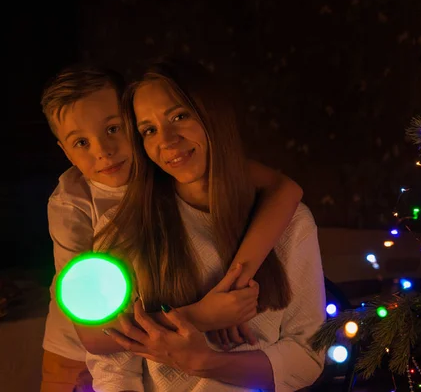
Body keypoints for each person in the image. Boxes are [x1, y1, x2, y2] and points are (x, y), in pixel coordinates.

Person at [40, 64, 304, 392]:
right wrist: (203, 315)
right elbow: (93, 331)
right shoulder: (71, 203)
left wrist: (233, 285)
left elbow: (286, 190)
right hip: (74, 344)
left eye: (113, 129)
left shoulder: (171, 167)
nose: (103, 151)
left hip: (148, 334)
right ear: (64, 151)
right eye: (81, 142)